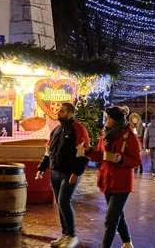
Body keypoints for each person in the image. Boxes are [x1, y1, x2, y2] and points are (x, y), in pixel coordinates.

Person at [82, 106, 141, 248]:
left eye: (108, 118)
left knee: (111, 219)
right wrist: (89, 151)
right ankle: (127, 243)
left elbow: (137, 161)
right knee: (117, 214)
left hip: (122, 183)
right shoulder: (105, 135)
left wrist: (122, 159)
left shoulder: (128, 136)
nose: (105, 120)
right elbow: (101, 157)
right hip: (107, 180)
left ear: (114, 120)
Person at [36, 103, 90, 248]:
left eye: (61, 111)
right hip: (55, 171)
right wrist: (42, 168)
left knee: (64, 202)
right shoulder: (56, 130)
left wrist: (76, 173)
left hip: (69, 172)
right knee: (60, 203)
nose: (58, 112)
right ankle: (65, 234)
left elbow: (83, 154)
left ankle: (72, 236)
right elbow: (49, 152)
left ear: (70, 113)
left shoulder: (78, 129)